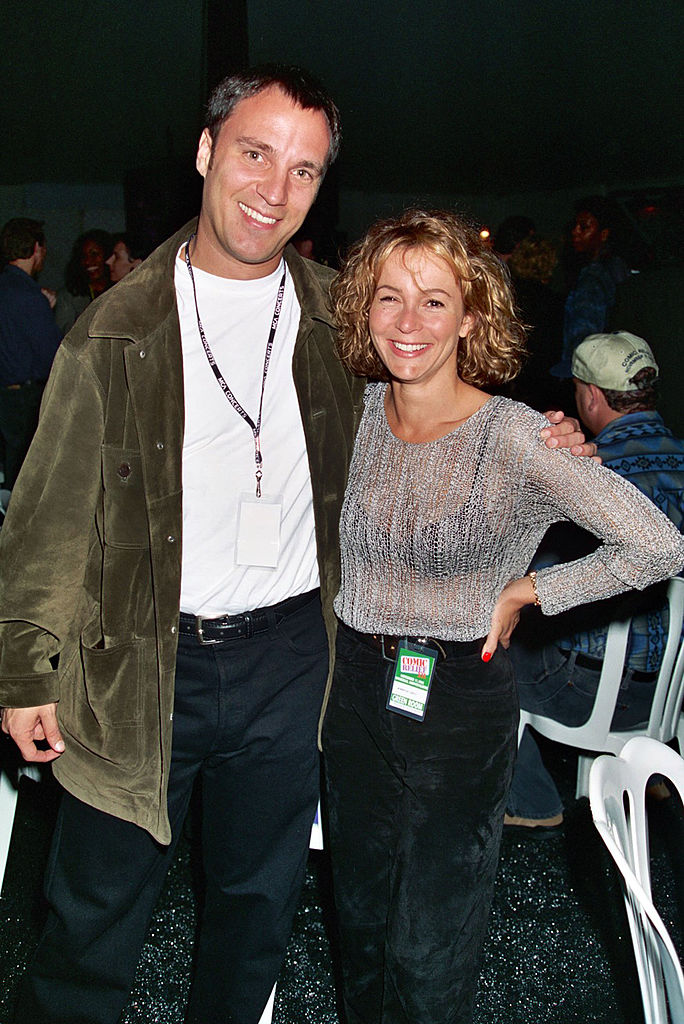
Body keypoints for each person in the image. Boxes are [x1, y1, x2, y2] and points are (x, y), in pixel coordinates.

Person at [0, 67, 590, 1024]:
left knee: (254, 914)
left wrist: (536, 442)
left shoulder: (340, 315)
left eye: (305, 170)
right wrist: (25, 662)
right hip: (139, 664)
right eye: (255, 153)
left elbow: (435, 383)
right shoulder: (110, 332)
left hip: (292, 660)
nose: (275, 190)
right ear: (205, 153)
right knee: (90, 925)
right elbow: (47, 516)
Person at [321, 210, 684, 1024]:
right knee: (364, 924)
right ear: (363, 310)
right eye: (388, 298)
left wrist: (530, 593)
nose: (408, 323)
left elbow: (658, 546)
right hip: (355, 690)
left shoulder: (518, 438)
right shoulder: (352, 412)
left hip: (457, 700)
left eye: (434, 301)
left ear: (471, 317)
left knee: (432, 942)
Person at [506, 331, 684, 835]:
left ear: (590, 395)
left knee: (497, 640)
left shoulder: (588, 474)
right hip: (672, 692)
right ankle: (647, 767)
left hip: (586, 688)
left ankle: (532, 799)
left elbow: (535, 576)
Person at [0, 218, 62, 489]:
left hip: (5, 396)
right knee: (26, 477)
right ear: (37, 247)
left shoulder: (6, 287)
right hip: (24, 401)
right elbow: (52, 357)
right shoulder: (30, 296)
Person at [551, 196, 630, 377]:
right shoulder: (605, 269)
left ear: (604, 234)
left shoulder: (597, 275)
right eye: (575, 225)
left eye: (584, 227)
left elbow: (585, 335)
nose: (575, 232)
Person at [54, 229, 113, 334]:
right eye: (83, 256)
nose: (87, 261)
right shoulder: (68, 296)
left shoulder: (122, 290)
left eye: (94, 254)